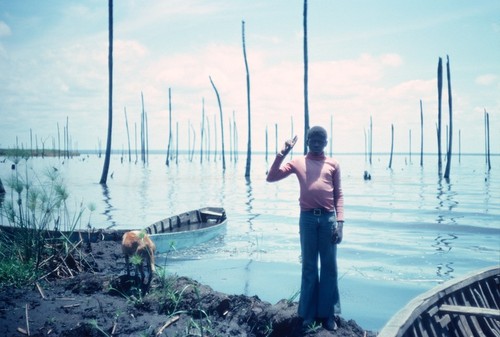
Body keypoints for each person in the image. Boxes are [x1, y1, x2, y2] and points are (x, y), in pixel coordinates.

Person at [266, 126, 344, 332]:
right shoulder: (298, 162)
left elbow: (339, 196)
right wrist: (282, 153)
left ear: (326, 142)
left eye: (321, 140)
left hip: (328, 220)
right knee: (309, 267)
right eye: (313, 139)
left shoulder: (333, 164)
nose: (316, 143)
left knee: (329, 268)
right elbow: (271, 177)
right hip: (307, 220)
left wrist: (340, 223)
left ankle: (327, 315)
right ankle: (308, 315)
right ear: (308, 141)